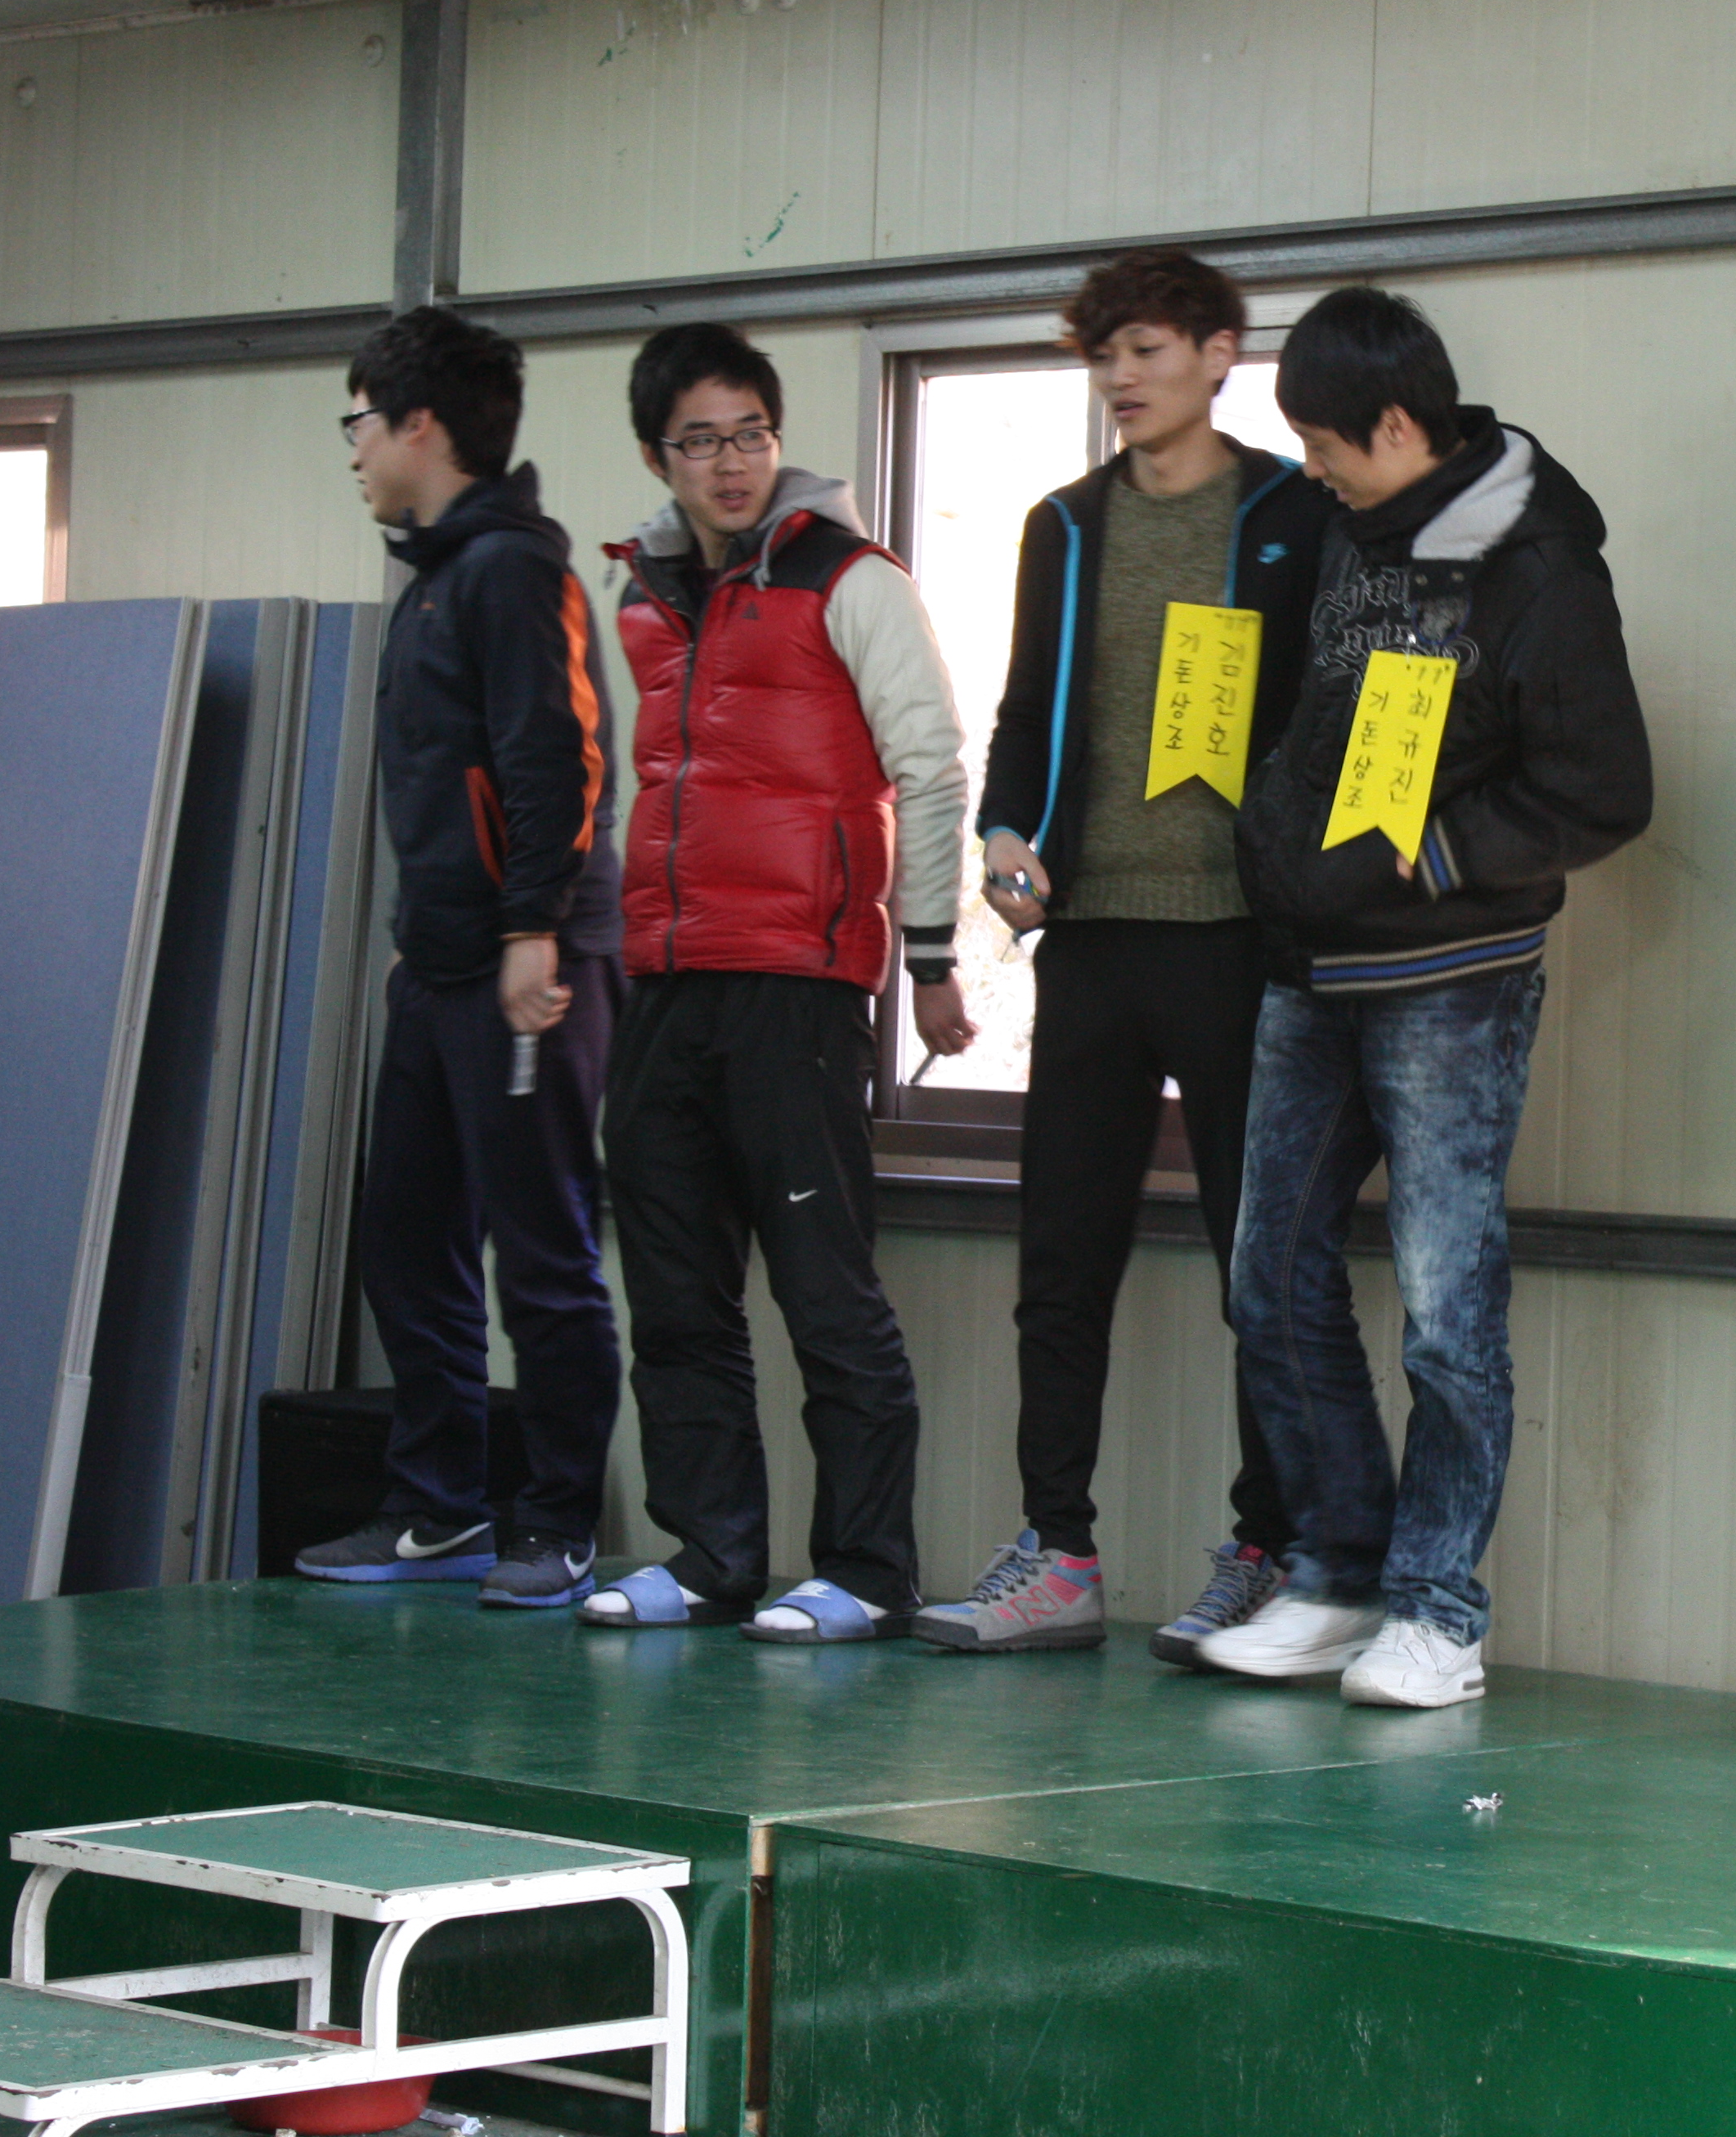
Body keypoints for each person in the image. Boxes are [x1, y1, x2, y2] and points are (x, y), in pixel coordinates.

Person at [1190, 285, 1652, 1708]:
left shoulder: (1539, 570)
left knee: (1448, 1306)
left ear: (1399, 426)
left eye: (1327, 445)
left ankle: (1439, 1613)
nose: (1312, 470)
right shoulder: (1343, 528)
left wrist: (1446, 852)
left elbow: (1607, 790)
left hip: (1450, 978)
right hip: (1307, 961)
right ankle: (1336, 1573)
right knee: (1269, 1274)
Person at [913, 249, 1334, 1662]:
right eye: (1105, 355)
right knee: (1062, 1256)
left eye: (1147, 349)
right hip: (1090, 936)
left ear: (1220, 354)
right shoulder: (1066, 523)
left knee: (1257, 1267)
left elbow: (1327, 713)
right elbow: (1028, 704)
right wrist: (1006, 832)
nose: (1121, 378)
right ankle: (1058, 1553)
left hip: (1238, 944)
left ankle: (1269, 1550)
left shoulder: (1292, 511)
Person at [579, 321, 977, 1644]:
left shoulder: (849, 576)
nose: (731, 461)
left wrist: (930, 954)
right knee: (675, 1295)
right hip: (664, 984)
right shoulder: (642, 597)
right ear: (660, 457)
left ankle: (866, 1569)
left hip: (799, 987)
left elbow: (930, 765)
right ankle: (711, 1558)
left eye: (750, 433)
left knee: (824, 1290)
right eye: (700, 440)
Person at [298, 306, 626, 1610]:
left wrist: (529, 930)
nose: (354, 450)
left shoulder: (512, 572)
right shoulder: (436, 576)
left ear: (418, 424)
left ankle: (558, 1521)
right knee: (406, 1240)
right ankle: (439, 1508)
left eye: (360, 423)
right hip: (440, 967)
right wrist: (419, 949)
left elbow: (559, 759)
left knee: (541, 1253)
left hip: (526, 965)